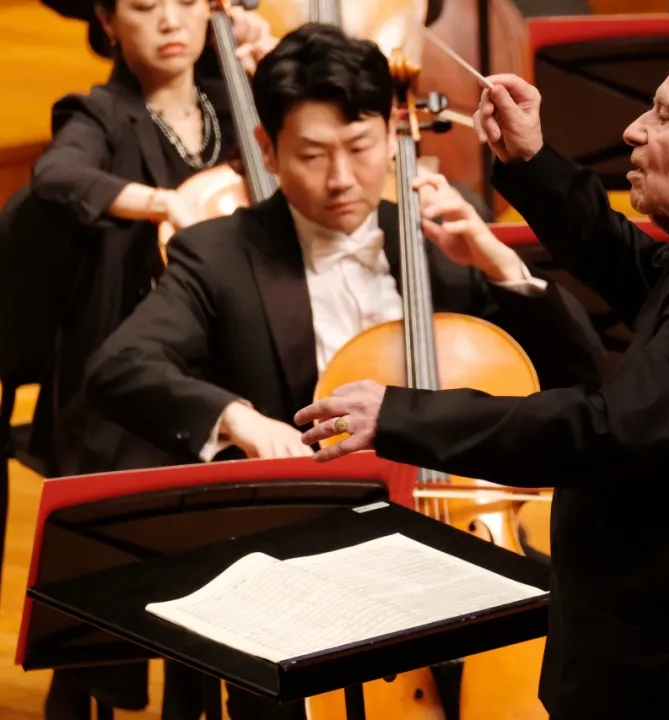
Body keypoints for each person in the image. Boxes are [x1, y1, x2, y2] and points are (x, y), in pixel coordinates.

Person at [293, 51, 669, 720]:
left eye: (664, 117)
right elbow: (637, 266)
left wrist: (401, 414)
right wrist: (531, 159)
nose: (635, 130)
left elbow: (603, 430)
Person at [83, 21, 607, 719]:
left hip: (463, 542)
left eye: (360, 148)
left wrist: (501, 265)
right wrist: (240, 420)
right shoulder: (217, 255)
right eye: (311, 154)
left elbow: (584, 377)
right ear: (267, 150)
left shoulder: (443, 234)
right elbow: (120, 366)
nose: (340, 179)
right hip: (307, 566)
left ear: (392, 134)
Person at [24, 2, 275, 718]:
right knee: (138, 545)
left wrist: (269, 70)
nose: (170, 20)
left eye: (187, 1)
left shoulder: (232, 99)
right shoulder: (100, 113)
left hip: (223, 371)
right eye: (144, 4)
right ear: (108, 23)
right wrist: (169, 204)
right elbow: (57, 176)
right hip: (124, 382)